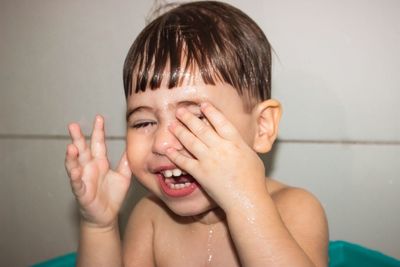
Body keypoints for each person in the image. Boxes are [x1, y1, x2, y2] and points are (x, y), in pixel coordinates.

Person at [65, 1, 329, 266]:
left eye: (196, 119)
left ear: (262, 126)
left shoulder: (295, 209)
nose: (163, 143)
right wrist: (99, 227)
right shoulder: (150, 218)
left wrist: (243, 201)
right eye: (144, 122)